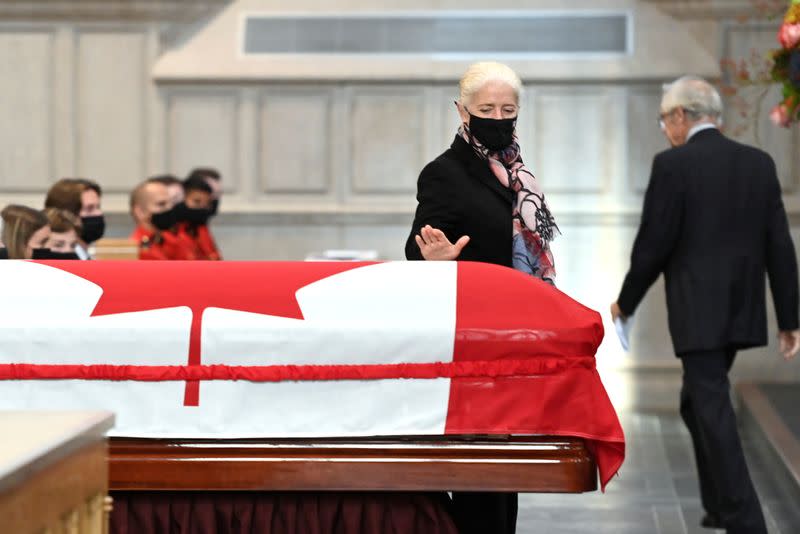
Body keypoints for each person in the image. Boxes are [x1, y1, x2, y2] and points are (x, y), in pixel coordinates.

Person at [610, 76, 800, 534]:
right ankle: (719, 505)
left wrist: (626, 302)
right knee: (696, 403)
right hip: (742, 309)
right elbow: (780, 244)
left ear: (680, 116)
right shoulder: (757, 162)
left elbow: (653, 245)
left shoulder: (673, 165)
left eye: (664, 120)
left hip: (697, 312)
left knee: (710, 406)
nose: (665, 129)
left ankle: (746, 521)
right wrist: (789, 317)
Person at [405, 61, 559, 534]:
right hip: (471, 337)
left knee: (503, 469)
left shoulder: (516, 173)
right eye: (486, 108)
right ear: (462, 110)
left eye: (507, 109)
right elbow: (416, 246)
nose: (498, 117)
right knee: (482, 469)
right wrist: (437, 258)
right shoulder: (444, 172)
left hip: (514, 333)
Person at [129, 179, 198, 260]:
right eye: (161, 204)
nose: (169, 208)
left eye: (171, 203)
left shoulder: (173, 240)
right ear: (140, 212)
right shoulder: (137, 249)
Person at [44, 178, 106, 258]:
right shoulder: (63, 257)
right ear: (66, 214)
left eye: (98, 207)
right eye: (90, 208)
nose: (99, 213)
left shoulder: (85, 255)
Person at [177, 174, 222, 260]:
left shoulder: (201, 228)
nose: (202, 207)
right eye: (196, 201)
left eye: (207, 204)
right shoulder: (172, 232)